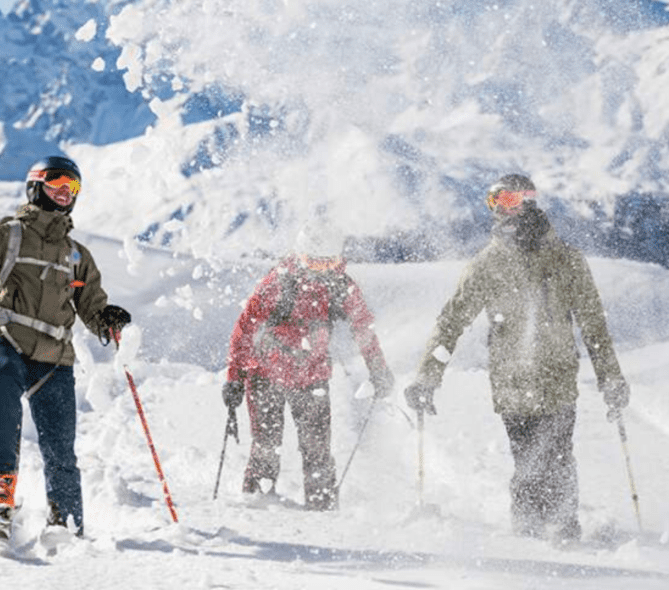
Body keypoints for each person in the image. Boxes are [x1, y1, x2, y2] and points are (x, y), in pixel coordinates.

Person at [404, 174, 630, 543]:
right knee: (527, 455)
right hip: (512, 382)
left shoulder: (565, 259)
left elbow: (593, 325)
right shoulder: (487, 265)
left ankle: (561, 526)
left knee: (556, 453)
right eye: (496, 203)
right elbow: (451, 321)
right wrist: (427, 376)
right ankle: (528, 531)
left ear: (529, 201)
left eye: (510, 200)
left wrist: (611, 378)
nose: (503, 210)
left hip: (556, 376)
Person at [0, 154, 132, 539]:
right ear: (35, 185)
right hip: (5, 340)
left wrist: (105, 318)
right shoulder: (5, 235)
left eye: (73, 188)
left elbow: (91, 309)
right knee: (1, 410)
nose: (65, 193)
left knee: (61, 446)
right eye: (57, 183)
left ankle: (66, 520)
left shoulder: (77, 256)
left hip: (54, 355)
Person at [222, 221, 395, 510]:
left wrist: (377, 368)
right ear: (300, 256)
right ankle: (257, 506)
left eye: (329, 264)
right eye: (313, 262)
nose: (320, 271)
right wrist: (235, 377)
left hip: (312, 377)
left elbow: (363, 328)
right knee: (266, 447)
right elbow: (245, 327)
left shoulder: (341, 287)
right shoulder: (280, 281)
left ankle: (322, 510)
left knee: (317, 451)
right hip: (266, 374)